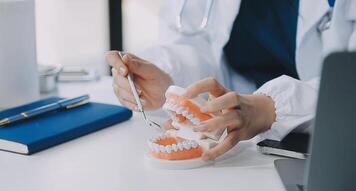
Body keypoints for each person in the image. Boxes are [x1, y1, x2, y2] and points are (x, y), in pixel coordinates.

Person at [107, 0, 356, 160]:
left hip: (330, 153)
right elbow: (197, 38)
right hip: (244, 153)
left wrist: (269, 108)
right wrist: (170, 80)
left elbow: (349, 82)